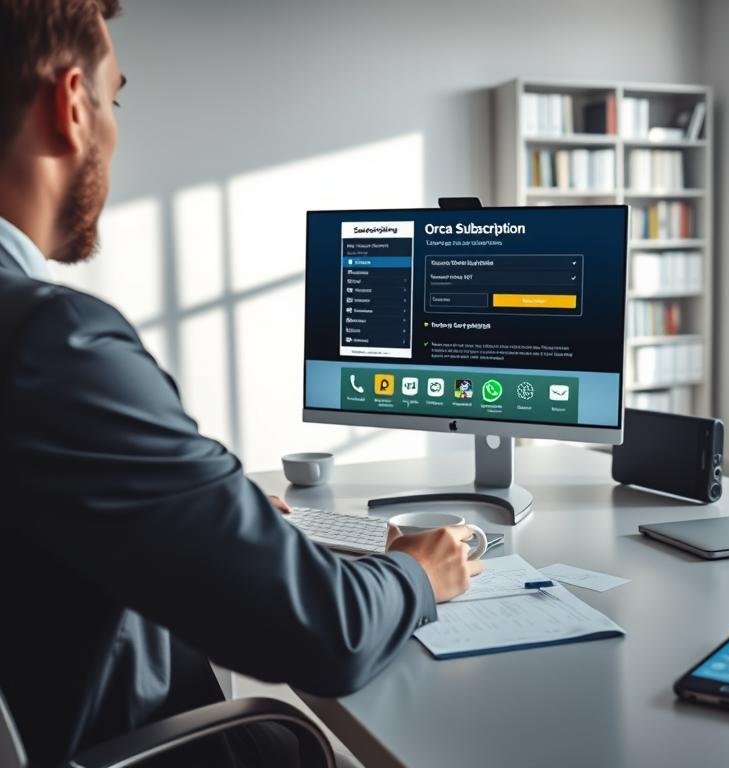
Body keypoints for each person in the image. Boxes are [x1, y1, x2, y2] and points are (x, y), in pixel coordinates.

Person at [0, 2, 484, 766]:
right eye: (113, 97)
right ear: (70, 106)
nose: (116, 131)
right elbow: (330, 634)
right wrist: (418, 573)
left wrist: (209, 517)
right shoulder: (49, 340)